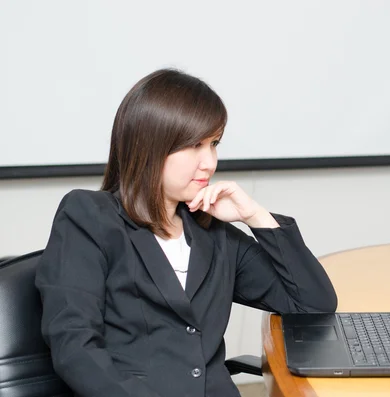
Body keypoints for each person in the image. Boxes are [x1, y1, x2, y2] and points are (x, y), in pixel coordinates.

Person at [35, 69, 338, 397]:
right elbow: (75, 348)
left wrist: (254, 215)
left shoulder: (213, 232)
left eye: (214, 144)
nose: (209, 162)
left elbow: (313, 304)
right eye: (194, 145)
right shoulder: (90, 216)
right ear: (150, 145)